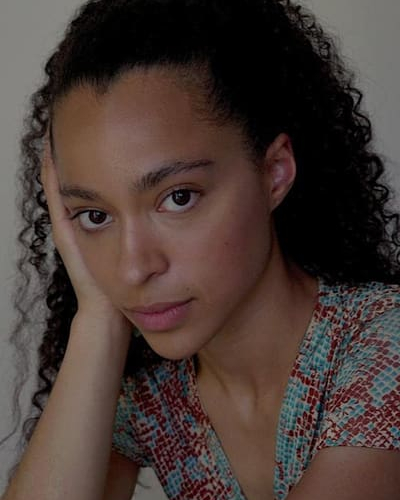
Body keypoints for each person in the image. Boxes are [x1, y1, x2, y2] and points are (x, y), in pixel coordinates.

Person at [1, 0, 400, 499]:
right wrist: (98, 319)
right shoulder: (151, 399)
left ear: (274, 172)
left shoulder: (383, 349)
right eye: (95, 216)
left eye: (178, 198)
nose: (133, 268)